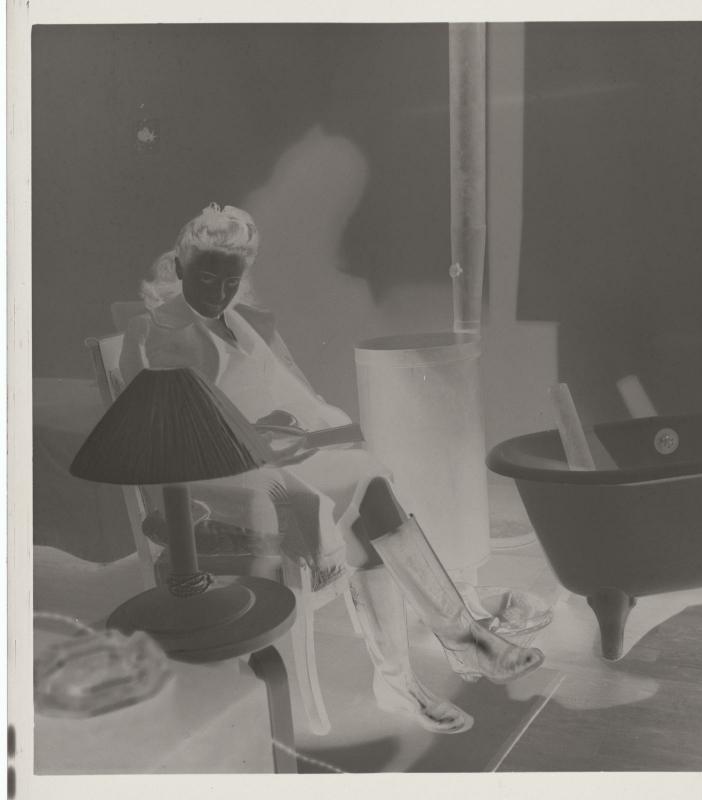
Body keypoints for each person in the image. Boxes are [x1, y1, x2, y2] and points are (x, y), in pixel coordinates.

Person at [121, 203, 544, 734]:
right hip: (210, 481)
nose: (219, 292)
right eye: (206, 278)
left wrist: (317, 431)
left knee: (367, 489)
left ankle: (417, 672)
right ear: (180, 266)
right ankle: (448, 649)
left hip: (269, 457)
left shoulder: (242, 322)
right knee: (366, 489)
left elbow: (295, 395)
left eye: (230, 280)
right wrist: (274, 443)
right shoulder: (159, 332)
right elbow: (175, 436)